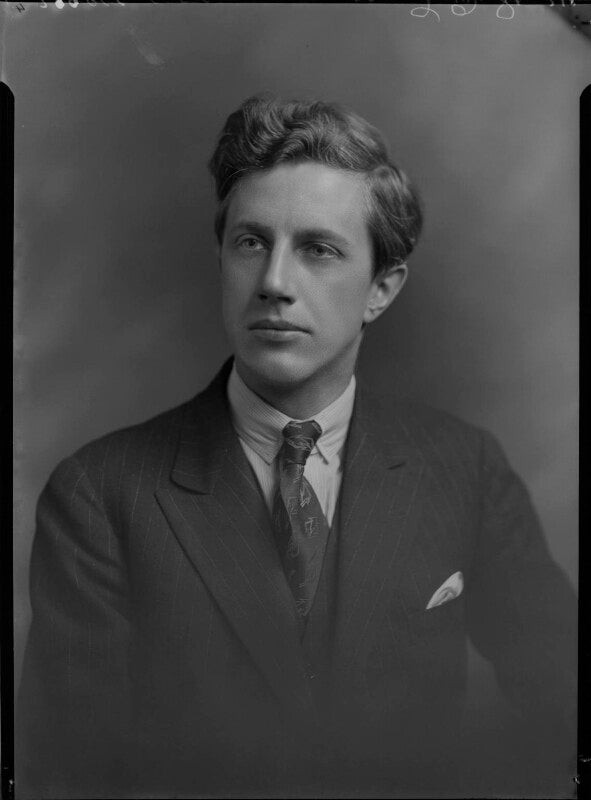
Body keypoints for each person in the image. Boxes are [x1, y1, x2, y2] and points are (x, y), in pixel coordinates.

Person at [17, 95, 577, 799]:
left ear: (380, 289)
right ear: (222, 257)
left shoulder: (464, 468)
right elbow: (67, 778)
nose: (274, 284)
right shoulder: (100, 493)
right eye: (252, 243)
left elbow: (566, 708)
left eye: (318, 250)